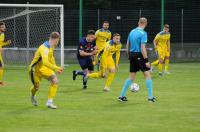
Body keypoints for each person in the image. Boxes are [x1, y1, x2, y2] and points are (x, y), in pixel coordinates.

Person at [118, 17, 156, 102]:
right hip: (139, 55)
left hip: (132, 55)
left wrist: (129, 55)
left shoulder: (132, 31)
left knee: (131, 77)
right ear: (146, 23)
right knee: (147, 75)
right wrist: (146, 60)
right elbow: (143, 48)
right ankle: (150, 98)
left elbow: (127, 44)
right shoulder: (143, 33)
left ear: (138, 23)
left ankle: (121, 96)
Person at [29, 32, 63, 109]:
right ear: (55, 40)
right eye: (58, 40)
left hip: (44, 68)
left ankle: (49, 102)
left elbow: (51, 57)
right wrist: (56, 68)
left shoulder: (51, 46)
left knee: (55, 81)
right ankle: (32, 96)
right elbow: (45, 62)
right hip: (34, 70)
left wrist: (56, 67)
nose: (58, 42)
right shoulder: (43, 48)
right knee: (36, 87)